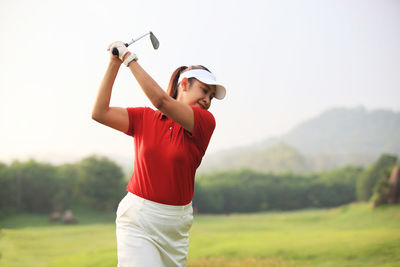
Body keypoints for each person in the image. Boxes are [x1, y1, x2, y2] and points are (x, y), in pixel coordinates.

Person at [92, 41, 226, 267]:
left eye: (212, 97)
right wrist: (114, 63)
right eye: (205, 91)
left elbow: (161, 101)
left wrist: (129, 58)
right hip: (138, 219)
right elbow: (100, 112)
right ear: (184, 84)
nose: (207, 100)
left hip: (176, 227)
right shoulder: (145, 119)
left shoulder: (204, 122)